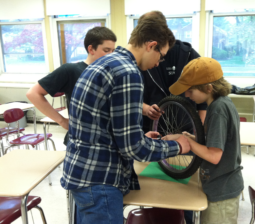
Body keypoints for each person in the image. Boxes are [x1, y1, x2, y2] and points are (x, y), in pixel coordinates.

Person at [61, 14, 191, 224]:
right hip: (100, 180)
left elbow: (102, 124)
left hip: (82, 172)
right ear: (151, 45)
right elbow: (133, 149)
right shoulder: (128, 73)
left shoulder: (105, 62)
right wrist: (177, 146)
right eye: (162, 55)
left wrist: (139, 136)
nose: (159, 63)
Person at [164, 57, 244, 224]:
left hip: (222, 190)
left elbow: (214, 155)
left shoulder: (217, 110)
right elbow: (215, 142)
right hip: (218, 183)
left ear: (208, 88)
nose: (186, 95)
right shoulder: (221, 103)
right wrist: (188, 138)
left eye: (190, 91)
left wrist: (186, 141)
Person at [26, 26, 117, 145]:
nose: (111, 55)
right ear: (91, 49)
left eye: (113, 51)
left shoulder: (111, 72)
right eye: (106, 50)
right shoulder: (71, 70)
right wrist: (62, 121)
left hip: (107, 139)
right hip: (81, 140)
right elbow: (33, 93)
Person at [139, 12, 207, 134]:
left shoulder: (188, 54)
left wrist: (201, 132)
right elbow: (130, 100)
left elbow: (204, 97)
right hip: (151, 130)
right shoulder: (138, 61)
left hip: (186, 129)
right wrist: (146, 109)